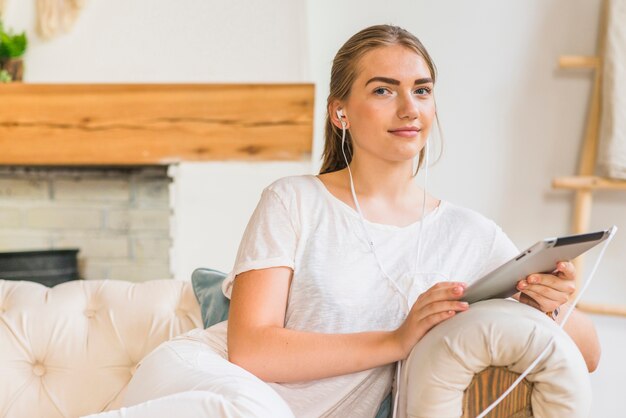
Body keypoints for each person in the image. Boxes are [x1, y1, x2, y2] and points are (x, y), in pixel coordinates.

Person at [89, 24, 601, 418]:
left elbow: (589, 354)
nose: (409, 108)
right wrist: (396, 340)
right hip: (211, 385)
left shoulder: (468, 235)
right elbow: (251, 349)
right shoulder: (293, 201)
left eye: (421, 90)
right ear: (341, 113)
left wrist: (553, 304)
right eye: (384, 90)